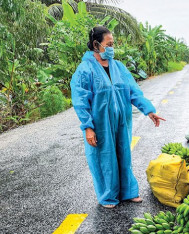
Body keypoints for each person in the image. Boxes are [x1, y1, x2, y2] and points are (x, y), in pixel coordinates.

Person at [71, 26, 165, 208]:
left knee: (123, 155)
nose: (112, 47)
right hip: (100, 124)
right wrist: (88, 127)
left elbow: (133, 91)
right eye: (109, 44)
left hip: (122, 122)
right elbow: (80, 101)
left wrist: (149, 111)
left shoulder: (118, 67)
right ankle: (108, 196)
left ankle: (128, 192)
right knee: (105, 159)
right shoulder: (85, 70)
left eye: (113, 44)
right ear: (96, 44)